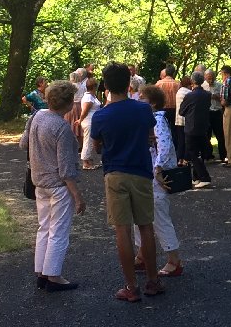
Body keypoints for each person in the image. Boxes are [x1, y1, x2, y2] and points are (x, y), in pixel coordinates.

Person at [90, 62, 165, 302]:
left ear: (106, 85)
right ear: (128, 84)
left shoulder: (100, 115)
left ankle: (131, 287)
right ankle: (153, 280)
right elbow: (151, 136)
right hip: (141, 171)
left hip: (115, 173)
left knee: (122, 229)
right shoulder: (143, 110)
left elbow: (97, 146)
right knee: (146, 226)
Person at [19, 80, 85, 292]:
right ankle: (54, 276)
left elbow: (23, 143)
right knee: (58, 231)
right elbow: (66, 169)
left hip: (39, 182)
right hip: (58, 186)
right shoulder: (62, 127)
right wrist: (78, 197)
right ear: (68, 104)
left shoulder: (37, 116)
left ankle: (41, 272)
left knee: (44, 228)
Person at [133, 85, 183, 277]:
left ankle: (174, 260)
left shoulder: (158, 119)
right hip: (149, 172)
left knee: (158, 215)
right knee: (142, 214)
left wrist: (158, 169)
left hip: (156, 175)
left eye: (142, 98)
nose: (139, 100)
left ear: (152, 103)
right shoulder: (151, 119)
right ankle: (142, 256)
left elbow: (164, 145)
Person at [179, 71, 213, 188]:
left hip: (191, 127)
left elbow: (181, 111)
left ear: (192, 81)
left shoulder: (189, 96)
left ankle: (204, 177)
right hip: (203, 126)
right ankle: (196, 176)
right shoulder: (207, 95)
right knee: (200, 152)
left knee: (193, 152)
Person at [78, 74, 102, 170]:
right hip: (89, 121)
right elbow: (85, 111)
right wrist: (80, 120)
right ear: (94, 86)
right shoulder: (88, 98)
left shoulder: (92, 96)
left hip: (93, 121)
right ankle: (85, 162)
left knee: (90, 141)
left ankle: (88, 159)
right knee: (88, 141)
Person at [204, 69, 225, 162]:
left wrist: (216, 97)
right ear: (205, 77)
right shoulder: (202, 86)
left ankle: (223, 155)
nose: (211, 80)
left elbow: (223, 98)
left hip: (217, 112)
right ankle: (208, 155)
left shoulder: (220, 85)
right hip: (207, 112)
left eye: (212, 78)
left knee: (220, 135)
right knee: (207, 135)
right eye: (209, 78)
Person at [154, 64, 181, 129]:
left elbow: (154, 96)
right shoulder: (178, 84)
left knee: (163, 128)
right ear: (173, 73)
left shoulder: (159, 83)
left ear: (166, 72)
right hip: (174, 110)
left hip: (162, 109)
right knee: (173, 129)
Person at [173, 75, 192, 164]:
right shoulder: (189, 93)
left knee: (180, 140)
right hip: (186, 119)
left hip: (178, 119)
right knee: (187, 140)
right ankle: (186, 158)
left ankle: (179, 159)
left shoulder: (179, 92)